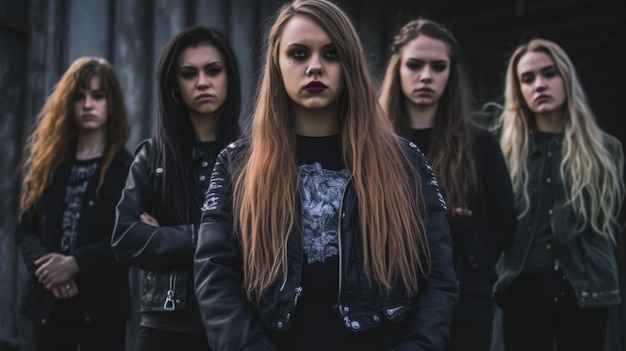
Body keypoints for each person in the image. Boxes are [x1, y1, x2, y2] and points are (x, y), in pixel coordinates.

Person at [194, 1, 458, 350]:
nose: (315, 67)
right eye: (299, 53)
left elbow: (439, 279)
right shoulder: (236, 164)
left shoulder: (406, 161)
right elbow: (214, 276)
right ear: (277, 63)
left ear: (350, 63)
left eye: (332, 54)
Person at [377, 19, 516, 351]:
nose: (426, 75)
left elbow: (505, 226)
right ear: (397, 68)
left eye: (438, 66)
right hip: (385, 303)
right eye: (414, 64)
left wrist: (469, 246)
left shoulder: (480, 143)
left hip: (464, 304)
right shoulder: (371, 142)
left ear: (451, 72)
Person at [111, 26, 242, 351]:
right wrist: (206, 236)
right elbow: (125, 238)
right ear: (175, 86)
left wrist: (165, 236)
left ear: (229, 78)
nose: (202, 82)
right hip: (164, 323)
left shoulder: (255, 158)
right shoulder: (152, 157)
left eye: (213, 70)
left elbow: (262, 239)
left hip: (237, 320)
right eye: (188, 73)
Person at [493, 38, 625, 351]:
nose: (539, 84)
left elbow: (614, 217)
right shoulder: (503, 150)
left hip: (585, 286)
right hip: (521, 286)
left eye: (549, 74)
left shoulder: (606, 150)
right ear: (519, 91)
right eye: (528, 78)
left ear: (566, 79)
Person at [15, 56, 132, 351]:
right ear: (68, 104)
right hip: (49, 306)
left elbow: (131, 237)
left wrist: (75, 263)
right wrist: (48, 271)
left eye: (97, 95)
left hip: (102, 309)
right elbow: (24, 229)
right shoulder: (49, 165)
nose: (88, 104)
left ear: (111, 103)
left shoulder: (129, 169)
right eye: (79, 97)